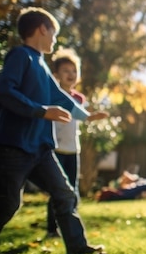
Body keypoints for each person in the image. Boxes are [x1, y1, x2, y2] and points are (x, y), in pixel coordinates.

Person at [0, 7, 104, 254]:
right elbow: (4, 90)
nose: (54, 40)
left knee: (65, 193)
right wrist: (41, 110)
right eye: (53, 34)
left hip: (40, 149)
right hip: (14, 147)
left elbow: (61, 97)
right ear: (42, 29)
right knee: (8, 203)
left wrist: (86, 116)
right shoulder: (20, 55)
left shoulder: (43, 66)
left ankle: (78, 247)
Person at [46, 47, 109, 238]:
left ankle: (69, 226)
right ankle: (52, 229)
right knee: (58, 189)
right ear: (56, 74)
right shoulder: (51, 95)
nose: (71, 74)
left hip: (73, 149)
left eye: (74, 71)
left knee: (71, 188)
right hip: (56, 148)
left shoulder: (79, 99)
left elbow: (83, 117)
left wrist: (93, 116)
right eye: (66, 71)